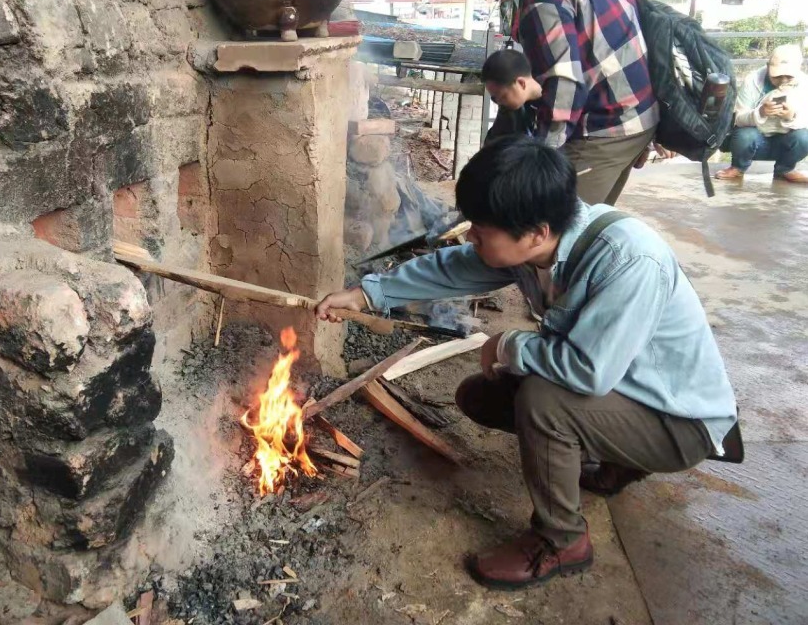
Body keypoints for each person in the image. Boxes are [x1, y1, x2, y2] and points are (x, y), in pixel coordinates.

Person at [315, 138, 737, 590]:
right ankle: (616, 460)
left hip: (678, 421)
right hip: (630, 392)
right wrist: (366, 293)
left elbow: (588, 371)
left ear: (535, 231)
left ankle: (562, 541)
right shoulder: (541, 245)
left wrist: (506, 343)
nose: (471, 236)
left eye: (480, 229)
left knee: (543, 401)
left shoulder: (628, 259)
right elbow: (452, 268)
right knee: (480, 396)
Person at [456, 0, 658, 205]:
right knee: (584, 225)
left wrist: (540, 158)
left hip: (604, 128)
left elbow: (563, 84)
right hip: (640, 114)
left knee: (541, 224)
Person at [715, 44, 808, 183]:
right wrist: (760, 113)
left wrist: (791, 116)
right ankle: (738, 167)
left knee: (804, 137)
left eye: (788, 76)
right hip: (755, 140)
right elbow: (737, 118)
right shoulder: (752, 80)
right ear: (768, 66)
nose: (783, 80)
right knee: (744, 134)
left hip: (786, 141)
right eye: (777, 76)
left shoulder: (804, 84)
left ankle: (786, 169)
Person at [482, 48, 541, 144]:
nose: (499, 102)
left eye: (503, 96)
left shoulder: (554, 105)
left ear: (521, 83)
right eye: (494, 99)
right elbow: (495, 143)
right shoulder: (510, 108)